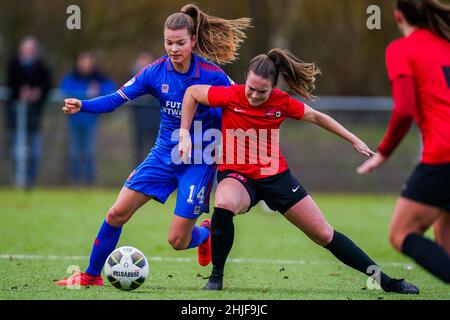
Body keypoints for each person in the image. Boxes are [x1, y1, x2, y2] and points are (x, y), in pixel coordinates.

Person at [179, 48, 419, 294]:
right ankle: (216, 277)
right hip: (237, 175)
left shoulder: (281, 102)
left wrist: (353, 139)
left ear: (273, 87)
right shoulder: (230, 95)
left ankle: (385, 281)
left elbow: (317, 117)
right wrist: (184, 132)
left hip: (275, 177)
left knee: (324, 235)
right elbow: (192, 93)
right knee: (224, 202)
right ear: (245, 79)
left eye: (262, 91)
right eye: (251, 87)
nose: (253, 95)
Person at [56, 4, 251, 287]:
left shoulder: (213, 75)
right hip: (163, 156)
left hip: (199, 162)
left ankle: (204, 233)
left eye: (180, 42)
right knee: (116, 213)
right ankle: (91, 275)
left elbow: (237, 106)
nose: (173, 48)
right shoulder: (154, 73)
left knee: (177, 240)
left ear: (193, 41)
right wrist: (82, 105)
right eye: (168, 42)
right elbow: (116, 99)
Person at [357, 0, 450, 283]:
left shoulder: (401, 49)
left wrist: (383, 151)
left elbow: (404, 109)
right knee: (444, 233)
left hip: (444, 154)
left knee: (401, 233)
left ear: (398, 16)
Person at [60, 51, 116, 185]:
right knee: (74, 151)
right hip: (75, 120)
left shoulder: (99, 78)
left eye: (88, 62)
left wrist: (98, 91)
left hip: (92, 121)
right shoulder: (72, 77)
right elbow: (65, 88)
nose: (85, 65)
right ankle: (75, 181)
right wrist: (85, 93)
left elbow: (111, 89)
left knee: (90, 151)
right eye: (83, 61)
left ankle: (90, 182)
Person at [5, 36, 51, 188]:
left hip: (33, 117)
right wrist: (20, 92)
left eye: (31, 49)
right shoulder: (13, 65)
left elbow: (47, 85)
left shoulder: (41, 67)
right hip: (15, 117)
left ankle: (31, 180)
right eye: (26, 48)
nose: (28, 52)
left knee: (34, 150)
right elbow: (10, 84)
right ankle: (17, 179)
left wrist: (37, 93)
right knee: (15, 149)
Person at [128, 52, 160, 167]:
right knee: (139, 148)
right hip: (139, 119)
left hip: (155, 120)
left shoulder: (157, 78)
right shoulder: (134, 80)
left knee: (154, 147)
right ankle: (137, 171)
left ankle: (154, 170)